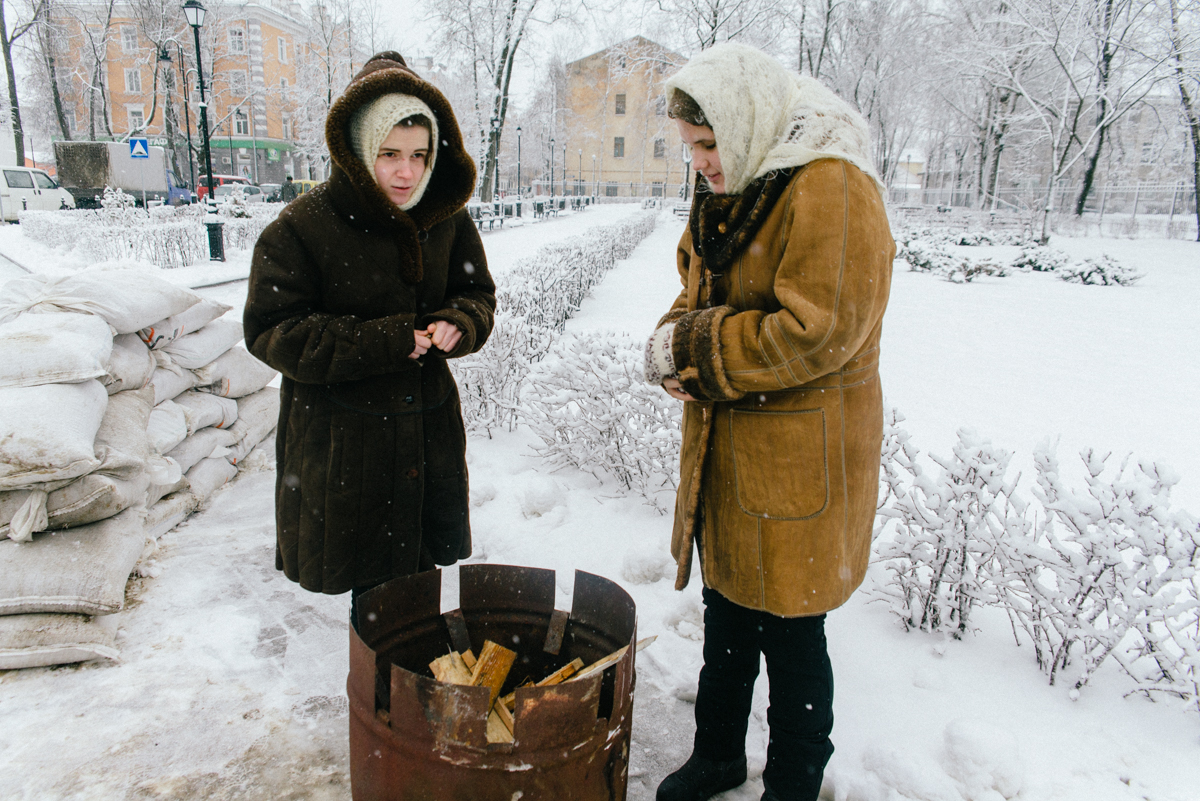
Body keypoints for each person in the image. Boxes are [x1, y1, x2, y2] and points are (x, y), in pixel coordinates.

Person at [643, 43, 894, 801]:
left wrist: (699, 352)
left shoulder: (832, 184)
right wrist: (672, 345)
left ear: (746, 122)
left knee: (791, 630)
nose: (702, 164)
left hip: (799, 458)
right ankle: (718, 752)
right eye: (692, 148)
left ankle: (793, 778)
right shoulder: (740, 181)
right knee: (728, 615)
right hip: (733, 452)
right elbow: (696, 288)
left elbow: (819, 329)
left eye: (709, 144)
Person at [243, 52, 495, 623]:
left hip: (426, 434)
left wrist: (463, 319)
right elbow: (273, 332)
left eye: (419, 156)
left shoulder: (445, 218)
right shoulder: (302, 226)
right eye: (389, 156)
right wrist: (384, 341)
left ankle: (412, 700)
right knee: (376, 602)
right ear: (358, 152)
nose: (406, 173)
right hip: (345, 447)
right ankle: (379, 707)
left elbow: (478, 293)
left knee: (419, 588)